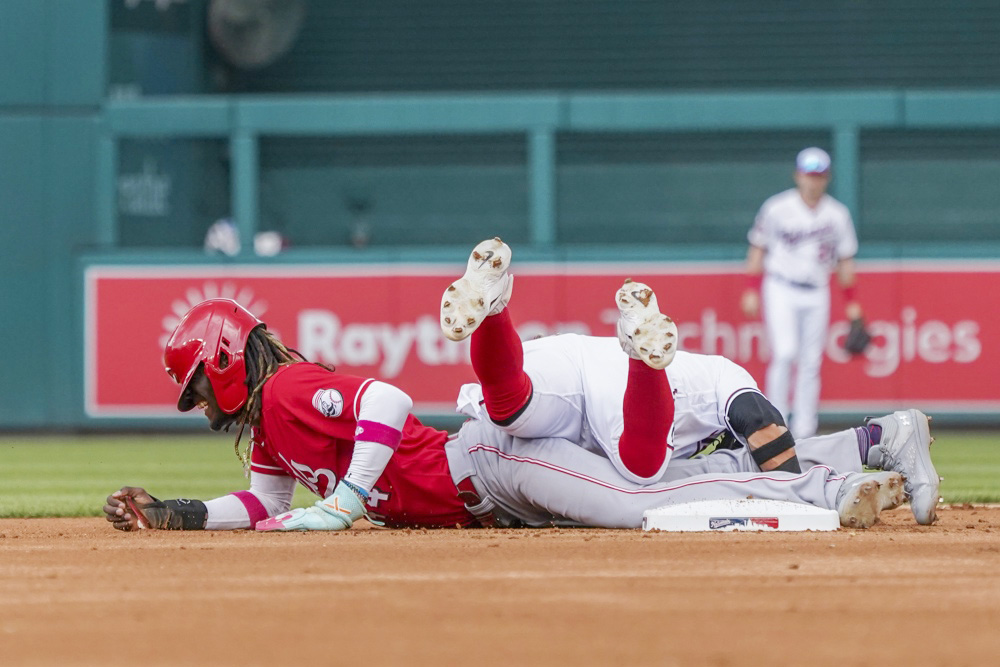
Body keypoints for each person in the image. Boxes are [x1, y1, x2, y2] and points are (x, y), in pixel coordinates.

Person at [103, 298, 906, 533]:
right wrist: (175, 513)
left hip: (489, 465)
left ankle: (826, 489)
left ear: (221, 362)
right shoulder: (271, 426)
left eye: (197, 388)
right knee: (656, 483)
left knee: (641, 501)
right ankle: (859, 446)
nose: (199, 406)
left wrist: (344, 500)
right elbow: (263, 506)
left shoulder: (283, 392)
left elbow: (386, 401)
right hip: (495, 493)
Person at [440, 237, 938, 525]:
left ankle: (495, 309)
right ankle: (641, 358)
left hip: (558, 362)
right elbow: (763, 425)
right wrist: (794, 495)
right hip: (616, 383)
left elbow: (747, 454)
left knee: (510, 408)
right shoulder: (721, 374)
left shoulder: (713, 380)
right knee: (643, 472)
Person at [740, 147, 863, 440]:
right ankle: (775, 424)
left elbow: (844, 260)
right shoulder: (777, 207)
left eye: (818, 175)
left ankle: (806, 430)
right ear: (798, 175)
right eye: (809, 174)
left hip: (817, 290)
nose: (813, 181)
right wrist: (751, 289)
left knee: (811, 362)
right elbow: (758, 248)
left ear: (827, 178)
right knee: (785, 353)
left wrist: (852, 302)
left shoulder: (837, 214)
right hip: (781, 286)